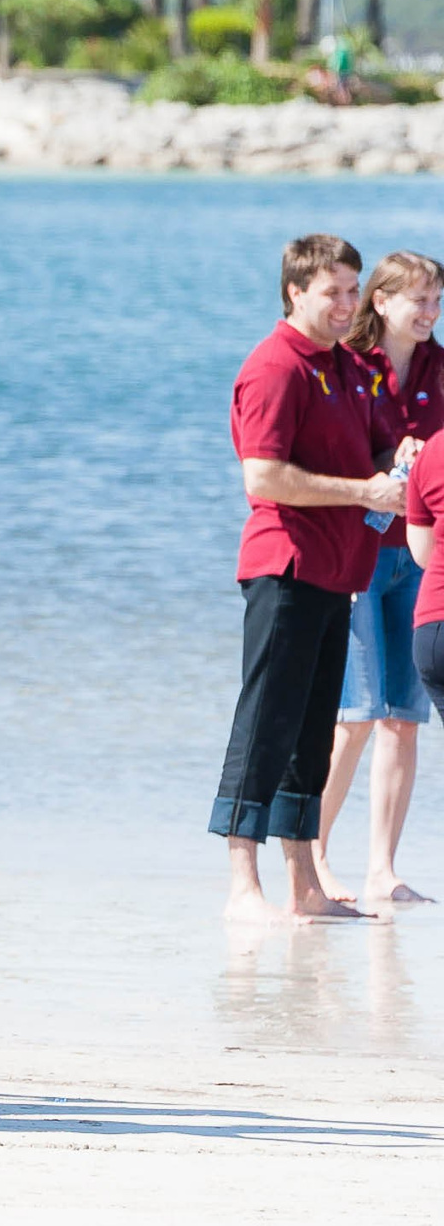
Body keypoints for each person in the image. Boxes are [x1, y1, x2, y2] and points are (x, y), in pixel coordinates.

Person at [217, 233, 399, 925]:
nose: (348, 304)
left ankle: (305, 886)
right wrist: (361, 492)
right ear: (296, 290)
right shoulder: (274, 366)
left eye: (355, 290)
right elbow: (262, 476)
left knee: (314, 731)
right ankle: (242, 883)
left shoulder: (346, 365)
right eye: (335, 292)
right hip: (283, 566)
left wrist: (395, 463)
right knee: (266, 719)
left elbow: (371, 449)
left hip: (337, 571)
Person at [318, 252, 444, 906]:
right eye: (417, 299)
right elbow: (333, 450)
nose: (428, 312)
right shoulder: (350, 364)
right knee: (358, 713)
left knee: (403, 717)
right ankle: (312, 856)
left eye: (436, 300)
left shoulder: (439, 366)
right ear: (380, 301)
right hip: (359, 551)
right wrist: (387, 457)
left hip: (420, 557)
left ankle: (382, 870)